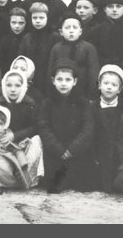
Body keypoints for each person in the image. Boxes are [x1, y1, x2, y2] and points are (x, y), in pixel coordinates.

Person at [38, 59, 97, 193]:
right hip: (56, 152)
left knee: (86, 185)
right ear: (53, 81)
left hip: (76, 151)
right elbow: (44, 127)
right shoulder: (48, 103)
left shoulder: (83, 103)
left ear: (75, 81)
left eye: (67, 80)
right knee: (54, 186)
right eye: (59, 79)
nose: (63, 83)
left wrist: (72, 150)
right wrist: (59, 149)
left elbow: (87, 129)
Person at [45, 13, 99, 100]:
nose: (71, 31)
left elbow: (93, 74)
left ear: (80, 31)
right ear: (61, 32)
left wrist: (92, 96)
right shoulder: (56, 48)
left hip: (83, 93)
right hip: (61, 92)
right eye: (67, 28)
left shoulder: (88, 48)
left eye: (75, 27)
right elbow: (50, 72)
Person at [92, 65, 123, 193]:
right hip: (97, 151)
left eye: (114, 84)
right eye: (105, 83)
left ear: (119, 89)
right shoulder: (91, 107)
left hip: (116, 152)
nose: (109, 87)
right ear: (99, 85)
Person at [84, 0, 123, 70]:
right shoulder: (96, 31)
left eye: (118, 6)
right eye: (110, 6)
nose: (114, 10)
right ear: (105, 9)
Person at [17, 2, 58, 93]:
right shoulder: (27, 37)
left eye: (41, 18)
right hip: (32, 79)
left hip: (48, 78)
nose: (38, 21)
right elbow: (22, 59)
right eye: (34, 18)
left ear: (47, 18)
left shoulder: (55, 37)